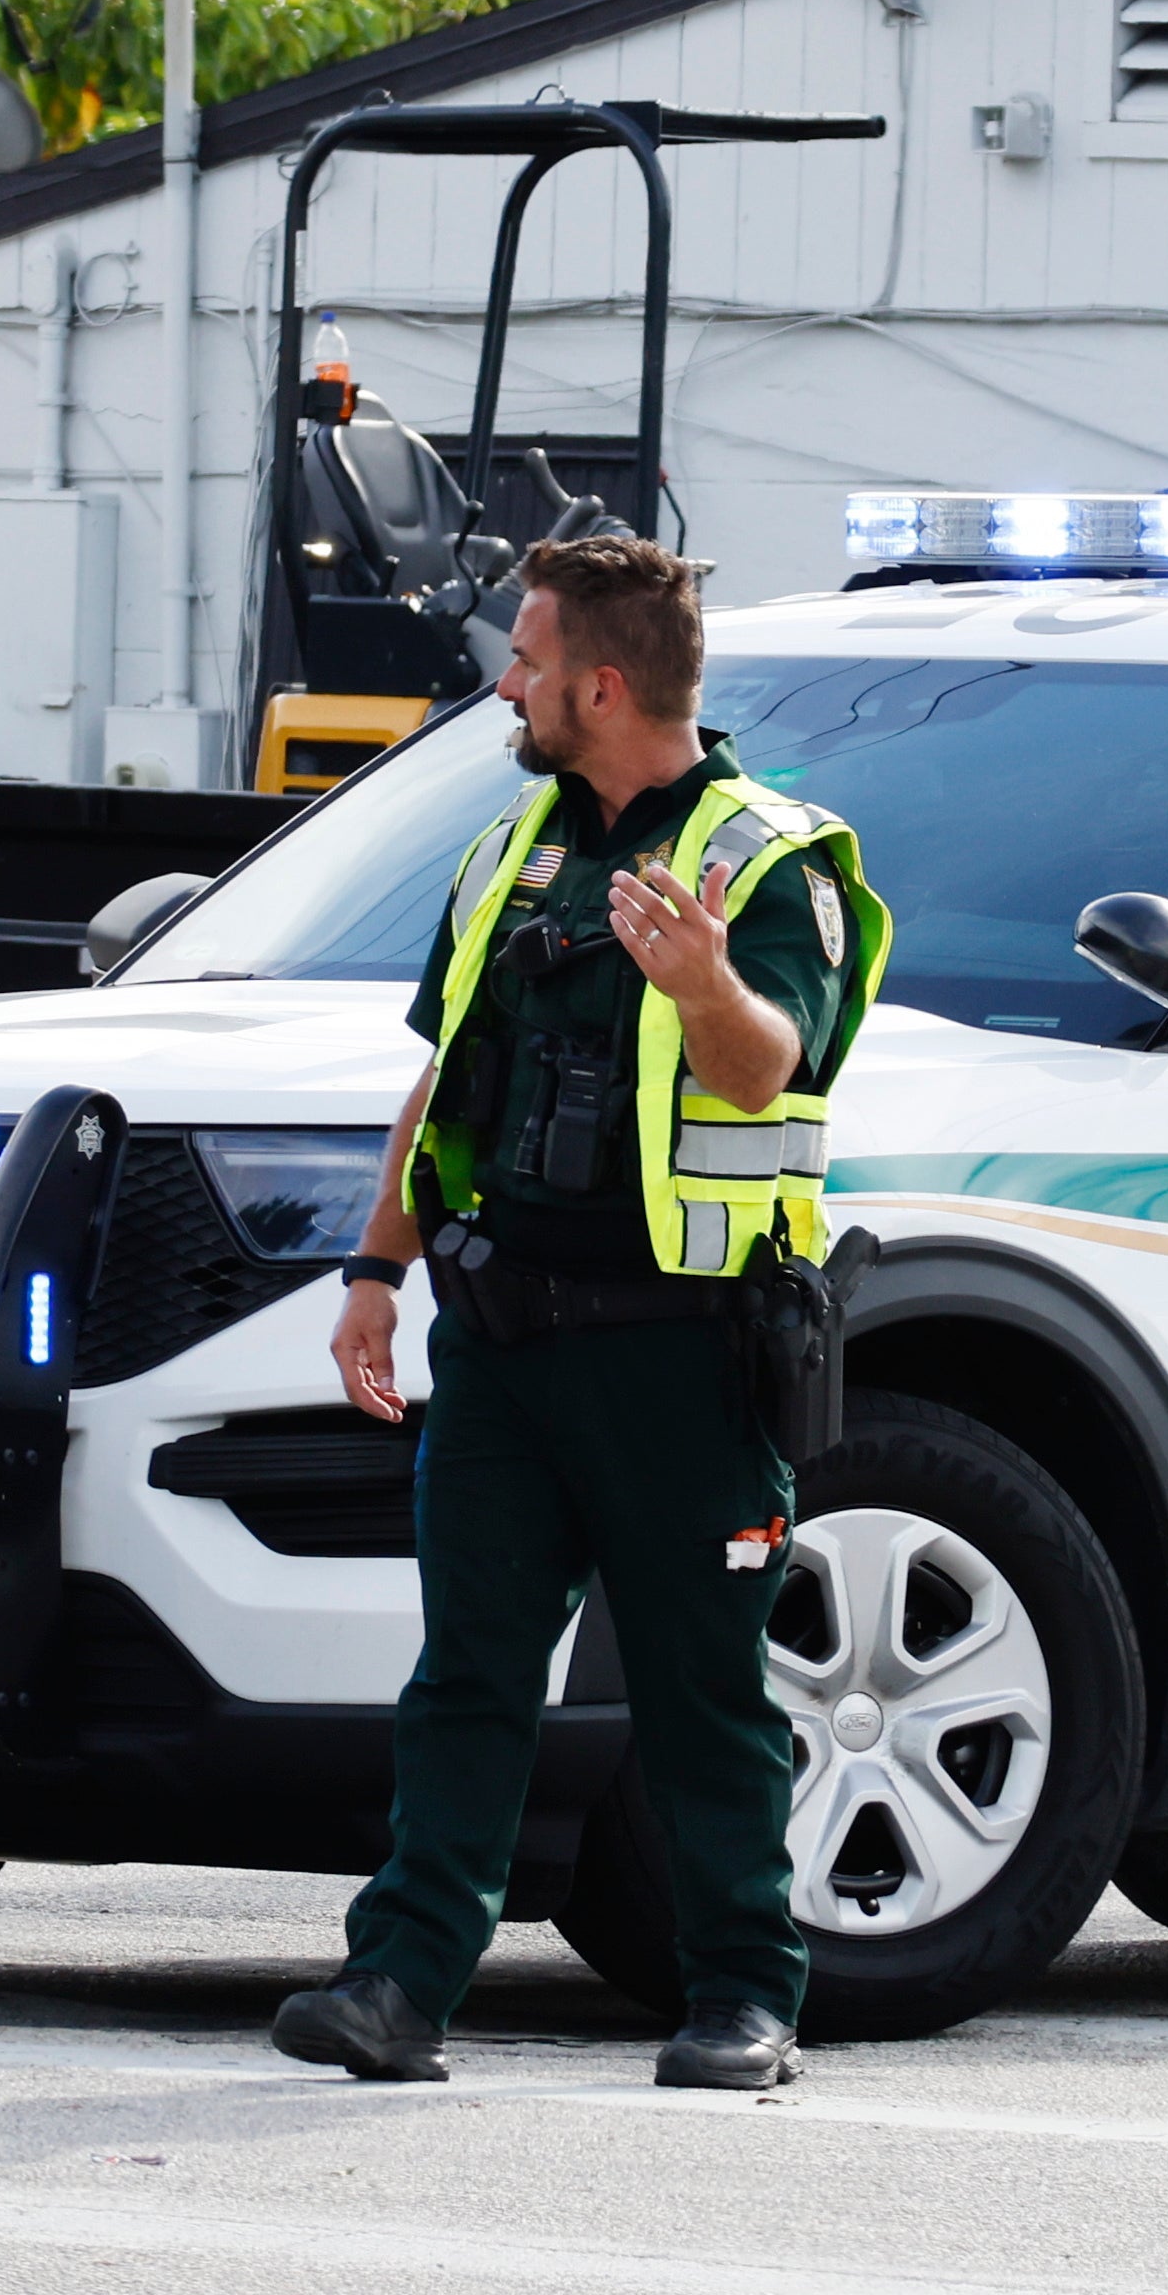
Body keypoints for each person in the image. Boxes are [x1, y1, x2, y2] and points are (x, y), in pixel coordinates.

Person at [271, 532, 886, 2094]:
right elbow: (444, 1075)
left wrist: (695, 981)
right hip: (502, 1337)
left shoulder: (767, 860)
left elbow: (769, 1068)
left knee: (702, 1691)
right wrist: (374, 1268)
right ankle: (398, 1986)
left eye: (528, 661)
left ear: (599, 683)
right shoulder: (512, 849)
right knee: (466, 1673)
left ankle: (745, 1992)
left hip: (683, 1351)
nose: (508, 684)